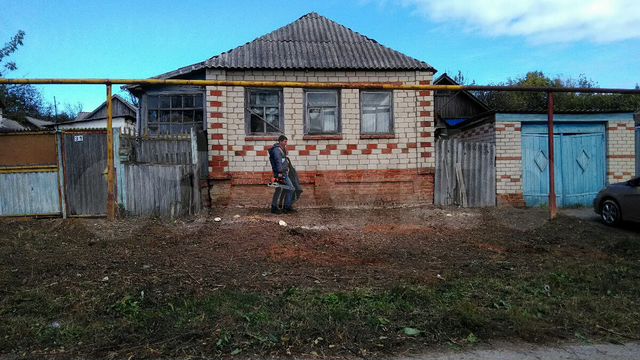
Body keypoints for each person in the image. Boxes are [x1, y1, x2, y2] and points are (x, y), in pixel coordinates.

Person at [269, 135, 296, 214]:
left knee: (278, 189)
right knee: (291, 188)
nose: (286, 143)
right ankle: (286, 207)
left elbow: (283, 160)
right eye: (284, 141)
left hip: (282, 173)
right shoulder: (277, 150)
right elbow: (278, 162)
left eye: (286, 141)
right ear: (280, 141)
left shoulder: (280, 149)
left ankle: (275, 207)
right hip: (281, 173)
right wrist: (280, 173)